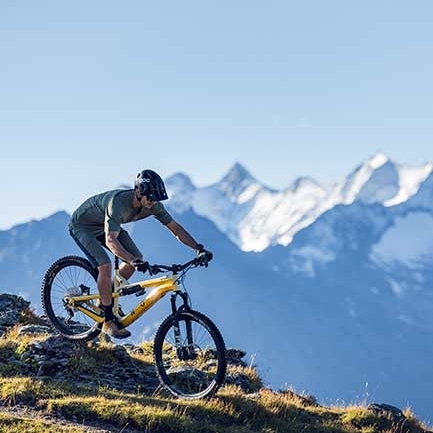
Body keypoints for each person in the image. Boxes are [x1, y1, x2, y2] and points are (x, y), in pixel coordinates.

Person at [69, 169, 212, 339]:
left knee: (137, 259)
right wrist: (131, 260)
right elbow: (110, 241)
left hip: (107, 226)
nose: (153, 202)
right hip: (83, 226)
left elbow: (175, 229)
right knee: (105, 265)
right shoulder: (117, 203)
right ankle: (107, 321)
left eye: (156, 198)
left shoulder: (154, 205)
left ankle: (104, 300)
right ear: (138, 191)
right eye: (150, 197)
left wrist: (198, 248)